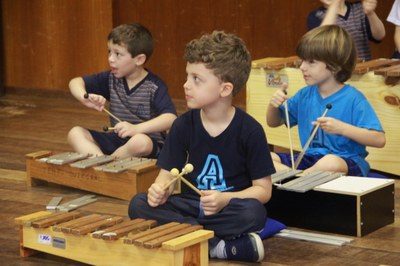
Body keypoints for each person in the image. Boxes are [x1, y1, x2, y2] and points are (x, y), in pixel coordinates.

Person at [128, 31, 275, 262]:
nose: (186, 85)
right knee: (138, 204)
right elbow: (165, 176)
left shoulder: (251, 130)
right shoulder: (182, 125)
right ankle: (217, 246)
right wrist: (159, 190)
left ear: (225, 89)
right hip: (190, 206)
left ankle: (190, 237)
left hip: (227, 208)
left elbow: (263, 191)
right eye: (187, 76)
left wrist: (225, 199)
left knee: (253, 212)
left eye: (196, 79)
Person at [267, 25, 386, 177]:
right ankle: (298, 178)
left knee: (330, 162)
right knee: (264, 158)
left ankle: (297, 178)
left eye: (311, 62)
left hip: (346, 161)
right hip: (309, 159)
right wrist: (273, 105)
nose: (302, 67)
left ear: (334, 66)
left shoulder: (354, 98)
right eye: (302, 61)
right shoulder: (304, 95)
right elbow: (273, 122)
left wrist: (342, 128)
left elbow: (379, 139)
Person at [67, 23, 177, 159]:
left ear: (139, 59)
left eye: (118, 54)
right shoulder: (111, 79)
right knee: (75, 133)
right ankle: (101, 163)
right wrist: (84, 97)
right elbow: (75, 82)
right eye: (109, 52)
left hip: (148, 146)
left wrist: (136, 129)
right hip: (119, 142)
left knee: (140, 141)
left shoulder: (154, 86)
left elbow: (171, 118)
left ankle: (106, 164)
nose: (111, 59)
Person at [307, 0, 386, 60]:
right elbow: (321, 42)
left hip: (363, 68)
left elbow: (380, 36)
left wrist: (371, 13)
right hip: (335, 71)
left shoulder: (358, 8)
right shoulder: (316, 15)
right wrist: (335, 5)